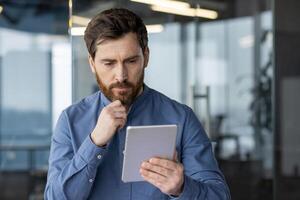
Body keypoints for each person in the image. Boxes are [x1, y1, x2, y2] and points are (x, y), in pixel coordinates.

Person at [44, 8, 231, 200]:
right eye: (109, 63)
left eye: (131, 61)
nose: (121, 76)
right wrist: (94, 142)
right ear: (92, 63)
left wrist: (182, 187)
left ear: (146, 57)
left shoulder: (181, 118)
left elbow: (219, 196)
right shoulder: (70, 120)